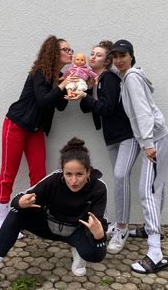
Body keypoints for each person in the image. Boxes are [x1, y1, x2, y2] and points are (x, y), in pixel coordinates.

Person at [0, 137, 108, 289]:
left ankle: (78, 251)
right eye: (68, 174)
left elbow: (100, 241)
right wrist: (20, 202)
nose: (73, 180)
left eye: (79, 174)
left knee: (94, 254)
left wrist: (99, 235)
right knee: (16, 212)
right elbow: (18, 199)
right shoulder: (54, 180)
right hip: (49, 226)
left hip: (77, 232)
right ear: (62, 171)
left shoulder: (99, 188)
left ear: (88, 172)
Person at [0, 35, 78, 233]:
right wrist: (62, 82)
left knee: (39, 175)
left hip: (35, 131)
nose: (70, 53)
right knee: (8, 174)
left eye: (70, 50)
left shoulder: (58, 76)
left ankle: (32, 217)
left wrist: (70, 88)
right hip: (16, 125)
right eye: (66, 50)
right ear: (53, 53)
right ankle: (2, 220)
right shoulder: (40, 72)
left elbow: (60, 104)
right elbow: (42, 101)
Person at [67, 41, 140, 254]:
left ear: (107, 61)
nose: (93, 57)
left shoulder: (108, 77)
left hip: (127, 136)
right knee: (118, 180)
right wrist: (84, 90)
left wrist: (87, 96)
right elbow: (85, 107)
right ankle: (118, 224)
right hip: (112, 138)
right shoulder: (96, 80)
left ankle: (122, 228)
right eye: (92, 53)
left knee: (119, 177)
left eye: (98, 55)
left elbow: (106, 108)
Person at [111, 39, 168, 274]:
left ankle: (155, 253)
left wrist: (147, 143)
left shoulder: (133, 78)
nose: (118, 60)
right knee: (156, 187)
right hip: (158, 139)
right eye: (115, 56)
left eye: (122, 55)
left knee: (147, 191)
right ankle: (149, 229)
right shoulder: (128, 78)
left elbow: (143, 113)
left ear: (131, 56)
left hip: (155, 141)